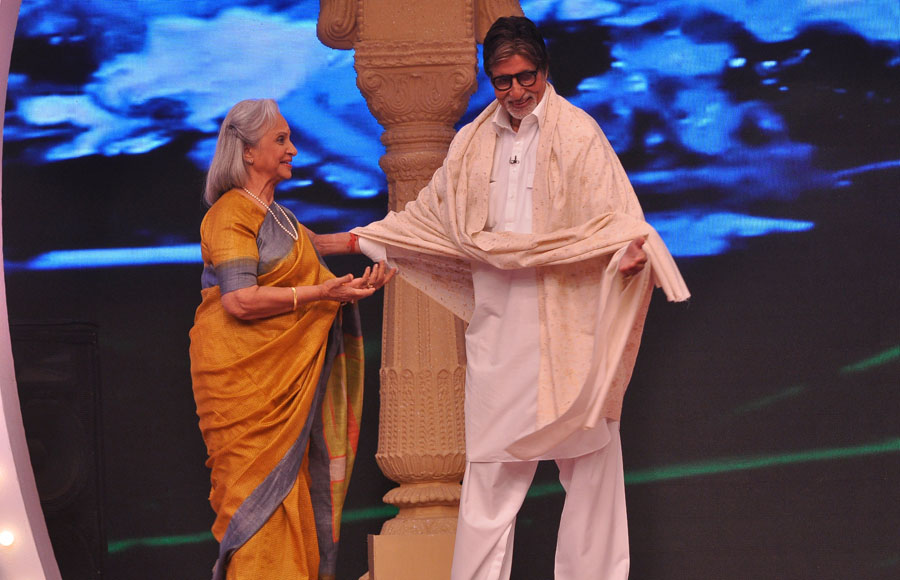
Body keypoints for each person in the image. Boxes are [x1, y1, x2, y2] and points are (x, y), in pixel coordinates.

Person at [352, 16, 689, 580]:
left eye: (524, 76)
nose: (515, 92)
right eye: (502, 81)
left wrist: (626, 254)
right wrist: (352, 239)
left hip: (569, 324)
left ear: (544, 68)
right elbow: (428, 221)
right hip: (500, 328)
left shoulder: (578, 133)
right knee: (488, 476)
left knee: (590, 466)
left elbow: (616, 220)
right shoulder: (470, 143)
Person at [189, 98, 394, 580]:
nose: (294, 149)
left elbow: (318, 250)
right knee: (258, 504)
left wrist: (358, 281)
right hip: (243, 386)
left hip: (282, 389)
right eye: (280, 139)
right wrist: (323, 291)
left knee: (289, 495)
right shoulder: (229, 214)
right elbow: (238, 301)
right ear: (246, 151)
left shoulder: (277, 215)